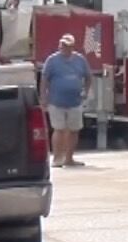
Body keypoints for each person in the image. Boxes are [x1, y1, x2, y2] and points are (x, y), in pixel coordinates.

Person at [38, 34, 92, 168]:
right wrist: (43, 97)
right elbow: (44, 79)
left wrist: (85, 91)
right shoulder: (52, 60)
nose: (64, 48)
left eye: (67, 46)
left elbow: (88, 77)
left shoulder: (80, 60)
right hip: (56, 101)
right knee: (59, 129)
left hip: (75, 101)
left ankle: (69, 158)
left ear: (72, 47)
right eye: (62, 45)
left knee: (74, 129)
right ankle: (57, 158)